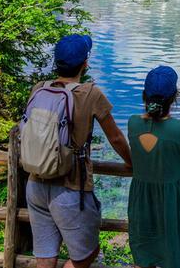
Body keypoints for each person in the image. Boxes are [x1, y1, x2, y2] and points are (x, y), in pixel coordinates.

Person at [25, 34, 133, 268]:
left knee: (45, 256)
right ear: (85, 63)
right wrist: (132, 162)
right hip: (70, 187)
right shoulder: (90, 94)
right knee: (85, 256)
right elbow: (115, 137)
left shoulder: (39, 89)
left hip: (35, 183)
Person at [127, 66, 180, 268]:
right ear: (175, 97)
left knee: (145, 252)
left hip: (142, 202)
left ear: (144, 96)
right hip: (175, 202)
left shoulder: (133, 123)